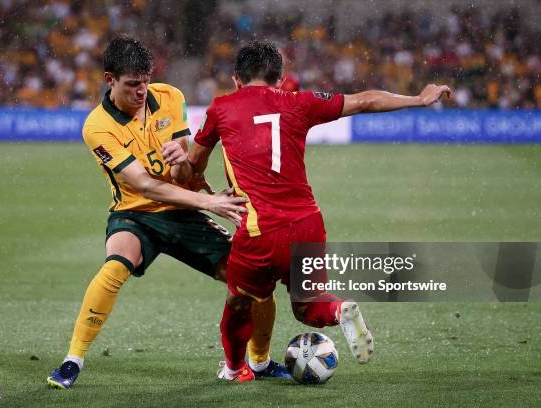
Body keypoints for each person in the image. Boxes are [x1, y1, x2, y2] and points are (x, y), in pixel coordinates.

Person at [188, 40, 452, 382]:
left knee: (239, 301)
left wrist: (196, 182)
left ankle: (235, 369)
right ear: (281, 80)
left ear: (236, 79)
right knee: (308, 305)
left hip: (259, 231)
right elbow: (365, 101)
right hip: (307, 225)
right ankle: (338, 309)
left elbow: (194, 162)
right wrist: (419, 98)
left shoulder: (221, 107)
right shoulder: (301, 102)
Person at [47, 35, 288, 389]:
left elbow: (184, 175)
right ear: (110, 80)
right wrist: (211, 202)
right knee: (116, 264)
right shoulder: (96, 126)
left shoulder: (171, 97)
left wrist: (182, 162)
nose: (141, 91)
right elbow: (143, 186)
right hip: (135, 213)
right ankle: (73, 360)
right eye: (132, 84)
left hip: (181, 209)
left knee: (254, 279)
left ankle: (260, 361)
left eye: (145, 81)